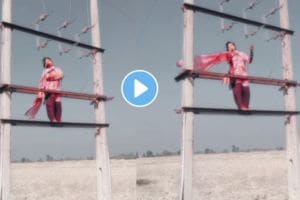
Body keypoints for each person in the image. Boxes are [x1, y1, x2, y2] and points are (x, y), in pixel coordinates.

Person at [176, 41, 254, 110]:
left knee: (246, 90)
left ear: (234, 46)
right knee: (237, 89)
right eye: (228, 47)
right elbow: (215, 58)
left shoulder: (241, 54)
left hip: (244, 74)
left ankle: (246, 106)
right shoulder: (228, 54)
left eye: (231, 45)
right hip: (235, 75)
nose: (230, 47)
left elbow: (249, 60)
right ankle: (241, 107)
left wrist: (251, 51)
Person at [25, 57, 64, 122]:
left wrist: (52, 76)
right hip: (49, 91)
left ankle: (58, 119)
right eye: (46, 61)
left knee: (58, 104)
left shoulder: (57, 69)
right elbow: (44, 79)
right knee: (50, 105)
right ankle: (53, 120)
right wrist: (53, 76)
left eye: (49, 60)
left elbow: (61, 75)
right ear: (44, 63)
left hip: (57, 90)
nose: (48, 62)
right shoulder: (45, 71)